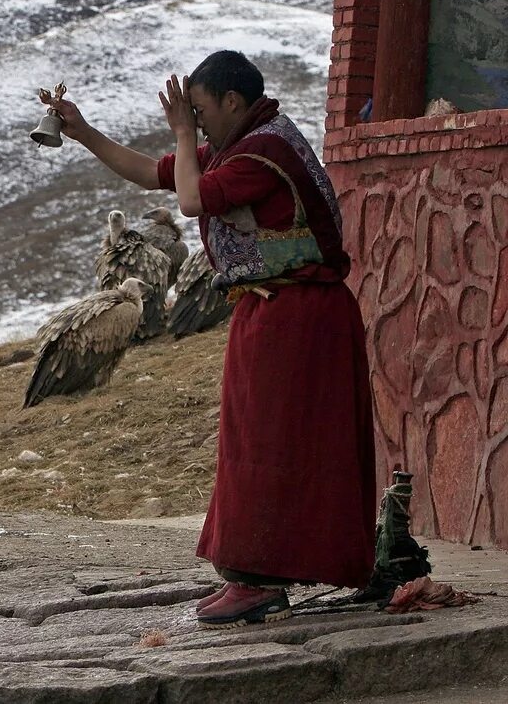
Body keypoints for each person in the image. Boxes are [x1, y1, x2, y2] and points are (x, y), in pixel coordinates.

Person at [45, 50, 376, 628]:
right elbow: (157, 174)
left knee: (267, 444)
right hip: (277, 308)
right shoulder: (241, 144)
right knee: (266, 440)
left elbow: (190, 200)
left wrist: (177, 128)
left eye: (199, 111)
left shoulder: (264, 151)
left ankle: (258, 579)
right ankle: (265, 572)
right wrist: (81, 132)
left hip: (297, 314)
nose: (195, 123)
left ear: (233, 101)